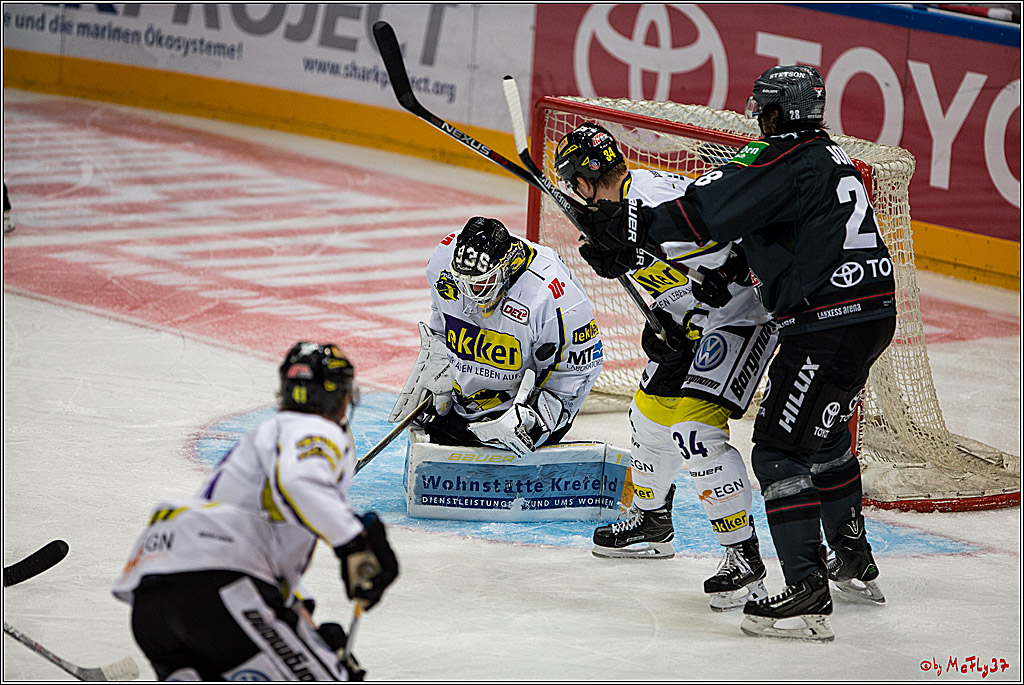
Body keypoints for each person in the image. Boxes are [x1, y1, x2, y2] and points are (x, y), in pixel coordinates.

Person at [576, 65, 896, 642]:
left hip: (825, 322)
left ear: (773, 112)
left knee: (777, 451)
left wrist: (633, 228)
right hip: (871, 312)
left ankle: (803, 593)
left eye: (761, 110)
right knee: (820, 438)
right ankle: (851, 558)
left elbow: (708, 212)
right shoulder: (832, 158)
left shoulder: (779, 158)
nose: (756, 119)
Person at [554, 123, 777, 612]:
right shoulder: (616, 216)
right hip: (695, 326)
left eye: (575, 184)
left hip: (741, 317)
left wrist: (721, 275)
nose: (576, 194)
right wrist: (664, 327)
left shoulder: (652, 199)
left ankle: (744, 560)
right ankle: (652, 521)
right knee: (648, 418)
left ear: (586, 181)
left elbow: (726, 242)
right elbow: (668, 283)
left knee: (693, 433)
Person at [113, 342, 399, 680]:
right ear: (338, 397)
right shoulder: (315, 429)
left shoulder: (260, 442)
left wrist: (310, 637)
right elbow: (300, 481)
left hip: (154, 600)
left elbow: (256, 566)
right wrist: (354, 543)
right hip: (219, 589)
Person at [389, 216, 602, 457]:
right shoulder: (443, 261)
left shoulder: (552, 294)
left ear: (505, 269)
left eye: (480, 285)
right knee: (439, 429)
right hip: (469, 402)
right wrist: (437, 367)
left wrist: (537, 420)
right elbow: (442, 323)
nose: (469, 295)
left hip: (524, 413)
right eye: (462, 284)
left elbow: (577, 369)